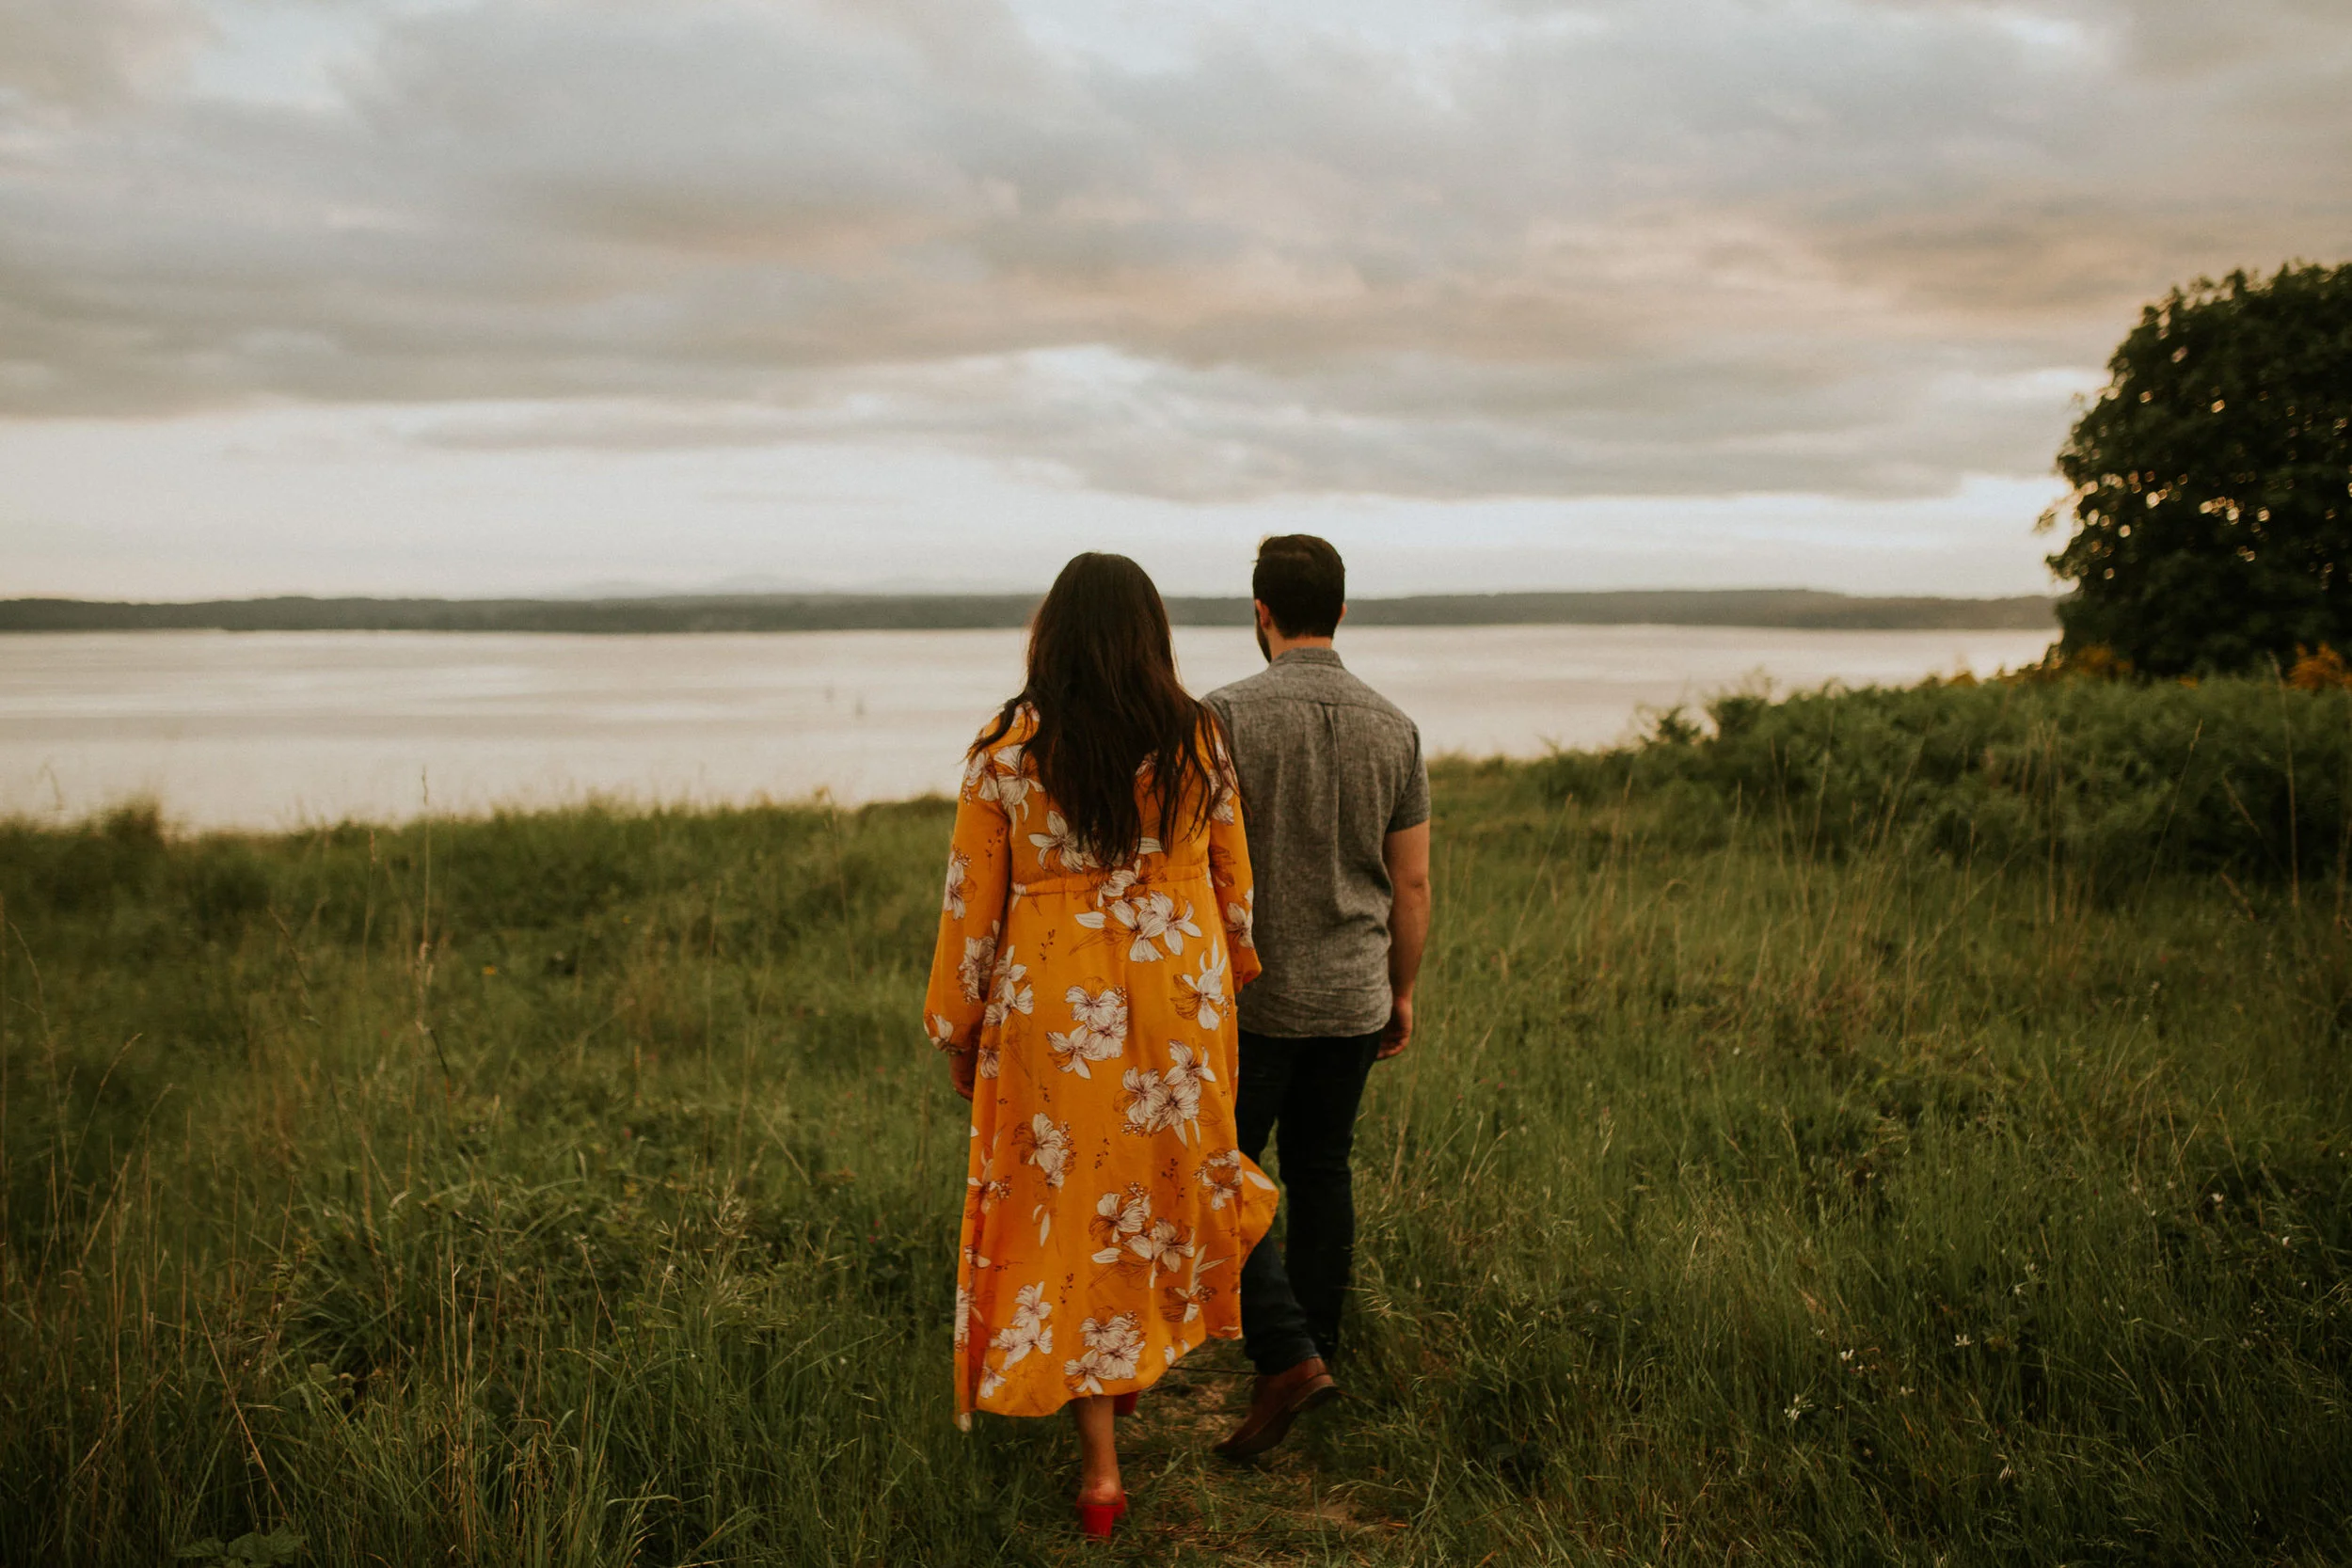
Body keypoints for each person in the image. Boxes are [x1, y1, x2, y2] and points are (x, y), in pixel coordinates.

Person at [922, 552, 1279, 1539]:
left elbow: (971, 903)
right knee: (1164, 1185)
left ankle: (1100, 1473)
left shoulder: (1007, 744)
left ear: (1052, 632)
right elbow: (1233, 880)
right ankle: (1127, 1365)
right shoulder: (1196, 735)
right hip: (1178, 990)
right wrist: (1228, 961)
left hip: (1053, 1001)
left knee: (1067, 1208)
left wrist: (958, 1024)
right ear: (1148, 632)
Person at [1201, 534, 1432, 1460]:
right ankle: (1311, 1351)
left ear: (1260, 613)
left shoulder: (1220, 716)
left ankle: (1284, 1352)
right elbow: (1408, 884)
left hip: (1250, 1000)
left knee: (1222, 1166)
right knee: (1322, 1167)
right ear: (1340, 611)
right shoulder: (1394, 724)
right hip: (1352, 992)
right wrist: (1400, 989)